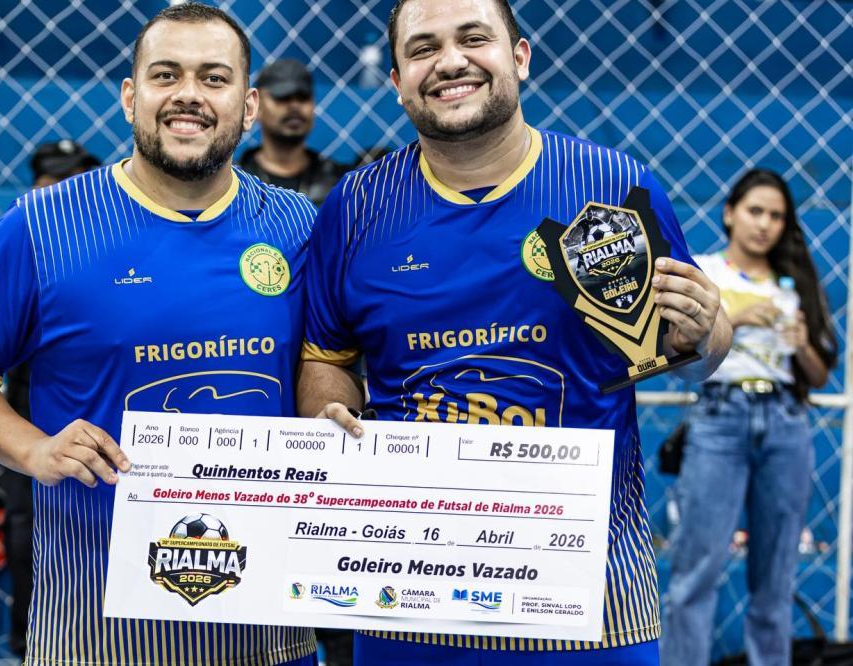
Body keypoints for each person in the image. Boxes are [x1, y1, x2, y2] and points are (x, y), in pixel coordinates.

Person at [296, 0, 733, 664]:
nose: (450, 61)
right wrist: (327, 415)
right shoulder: (355, 207)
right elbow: (326, 359)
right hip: (406, 591)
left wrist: (705, 330)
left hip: (592, 593)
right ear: (397, 81)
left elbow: (691, 349)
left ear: (520, 56)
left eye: (474, 38)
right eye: (423, 49)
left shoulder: (612, 185)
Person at [0, 4, 318, 665]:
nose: (188, 94)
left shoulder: (298, 225)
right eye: (166, 75)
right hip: (94, 634)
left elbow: (326, 363)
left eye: (213, 78)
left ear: (249, 107)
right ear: (131, 96)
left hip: (266, 632)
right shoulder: (41, 226)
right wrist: (34, 449)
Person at [660, 169, 835, 666]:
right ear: (729, 213)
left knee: (776, 574)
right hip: (720, 415)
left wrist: (802, 345)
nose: (764, 224)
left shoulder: (794, 285)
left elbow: (818, 375)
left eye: (776, 216)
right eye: (755, 211)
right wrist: (735, 317)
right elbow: (677, 351)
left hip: (785, 419)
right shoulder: (705, 272)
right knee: (696, 568)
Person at [0, 139, 101, 658]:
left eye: (79, 176)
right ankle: (27, 640)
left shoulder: (110, 238)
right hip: (32, 401)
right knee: (26, 527)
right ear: (39, 184)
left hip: (106, 402)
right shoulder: (25, 237)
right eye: (57, 179)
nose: (68, 188)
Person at [238, 59, 347, 205]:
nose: (295, 106)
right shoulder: (233, 182)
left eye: (303, 98)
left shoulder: (339, 184)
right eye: (282, 97)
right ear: (256, 107)